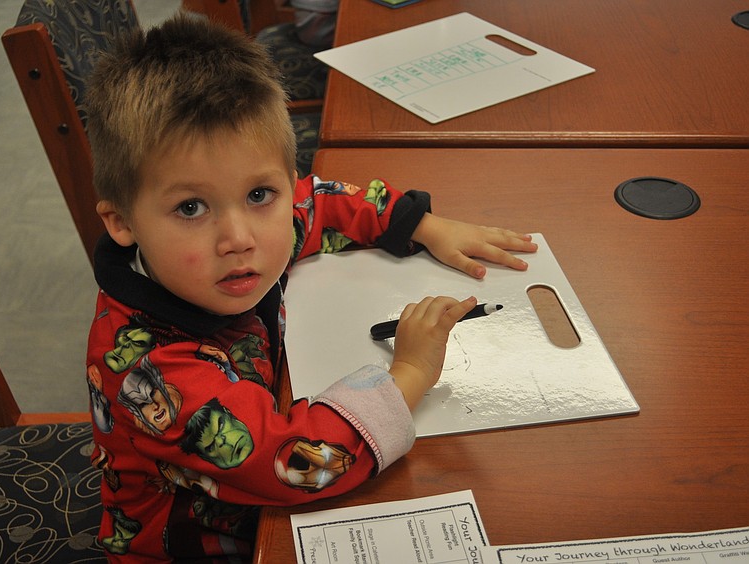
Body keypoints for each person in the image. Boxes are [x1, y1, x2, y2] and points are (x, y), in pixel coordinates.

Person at [84, 10, 537, 562]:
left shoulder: (232, 248)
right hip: (197, 544)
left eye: (258, 195)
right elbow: (302, 461)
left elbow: (317, 199)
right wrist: (411, 373)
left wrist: (420, 225)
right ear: (122, 222)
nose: (239, 238)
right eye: (191, 207)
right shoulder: (152, 373)